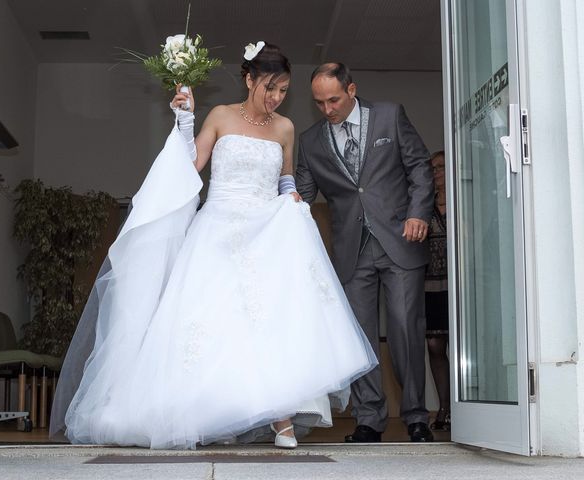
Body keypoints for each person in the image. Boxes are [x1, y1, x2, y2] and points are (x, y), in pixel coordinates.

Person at [49, 44, 377, 450]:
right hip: (218, 232)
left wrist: (291, 196)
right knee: (215, 324)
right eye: (269, 88)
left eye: (283, 90)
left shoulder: (286, 128)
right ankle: (204, 413)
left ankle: (281, 419)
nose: (275, 97)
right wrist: (185, 122)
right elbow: (193, 167)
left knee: (270, 321)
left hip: (266, 234)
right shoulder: (221, 116)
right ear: (249, 79)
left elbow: (286, 176)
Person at [296, 63, 435, 442]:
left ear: (352, 89)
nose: (328, 109)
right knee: (359, 338)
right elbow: (302, 198)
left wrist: (417, 213)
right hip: (350, 251)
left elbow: (420, 166)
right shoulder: (310, 142)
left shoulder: (390, 116)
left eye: (334, 100)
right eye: (320, 103)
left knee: (406, 330)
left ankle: (416, 417)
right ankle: (369, 420)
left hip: (400, 242)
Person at [425, 150, 450, 432]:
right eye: (432, 168)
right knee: (434, 345)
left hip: (459, 282)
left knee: (463, 346)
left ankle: (465, 408)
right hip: (430, 282)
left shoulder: (463, 198)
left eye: (441, 167)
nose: (436, 172)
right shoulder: (424, 204)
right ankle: (443, 407)